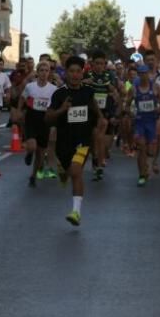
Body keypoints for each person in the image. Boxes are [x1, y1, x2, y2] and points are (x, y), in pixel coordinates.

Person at [46, 56, 100, 226]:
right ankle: (63, 170)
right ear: (66, 73)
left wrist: (102, 121)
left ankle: (76, 211)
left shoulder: (88, 92)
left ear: (82, 73)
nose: (75, 75)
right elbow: (48, 118)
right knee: (70, 171)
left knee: (76, 172)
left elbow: (96, 110)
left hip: (83, 141)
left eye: (78, 71)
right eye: (72, 71)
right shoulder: (59, 93)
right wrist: (61, 109)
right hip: (64, 142)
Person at [21, 61, 58, 188]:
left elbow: (55, 107)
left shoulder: (53, 89)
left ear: (49, 73)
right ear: (37, 72)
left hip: (45, 121)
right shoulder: (30, 86)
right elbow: (22, 98)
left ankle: (33, 176)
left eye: (46, 70)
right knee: (32, 146)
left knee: (41, 154)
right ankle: (29, 153)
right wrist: (20, 111)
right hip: (31, 118)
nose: (43, 73)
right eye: (41, 70)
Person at [86, 50, 120, 182]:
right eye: (97, 63)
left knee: (100, 139)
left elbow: (115, 92)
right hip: (90, 112)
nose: (99, 66)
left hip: (104, 112)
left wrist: (114, 94)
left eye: (102, 63)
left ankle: (99, 166)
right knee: (94, 140)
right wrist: (85, 82)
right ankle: (96, 158)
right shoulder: (87, 75)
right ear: (92, 64)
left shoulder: (109, 76)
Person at [129, 64, 160, 186]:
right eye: (141, 73)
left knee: (150, 150)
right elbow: (127, 105)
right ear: (139, 74)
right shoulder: (133, 89)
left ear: (148, 74)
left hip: (152, 122)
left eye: (145, 73)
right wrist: (131, 112)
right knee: (141, 147)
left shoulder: (155, 87)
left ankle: (148, 165)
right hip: (139, 122)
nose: (143, 76)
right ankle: (141, 175)